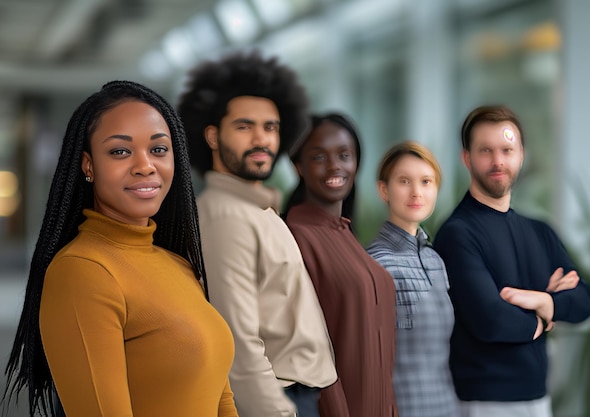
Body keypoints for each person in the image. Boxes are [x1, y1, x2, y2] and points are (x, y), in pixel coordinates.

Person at [2, 81, 238, 417]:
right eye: (120, 151)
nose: (145, 165)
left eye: (158, 149)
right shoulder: (82, 271)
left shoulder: (178, 264)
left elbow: (221, 397)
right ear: (88, 165)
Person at [177, 52, 337, 417]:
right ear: (213, 136)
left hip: (296, 395)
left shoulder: (259, 210)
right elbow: (238, 342)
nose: (262, 139)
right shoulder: (225, 217)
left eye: (271, 127)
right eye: (245, 126)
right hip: (275, 401)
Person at [433, 105, 590, 417]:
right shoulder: (457, 234)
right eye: (486, 151)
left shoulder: (540, 231)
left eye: (507, 150)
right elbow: (492, 320)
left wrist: (541, 301)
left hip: (538, 399)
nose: (498, 161)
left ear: (521, 155)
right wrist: (548, 314)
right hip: (482, 402)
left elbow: (585, 298)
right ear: (466, 158)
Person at [284, 113, 397, 417]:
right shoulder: (294, 238)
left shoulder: (346, 234)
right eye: (319, 156)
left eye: (344, 155)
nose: (335, 166)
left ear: (357, 163)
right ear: (299, 166)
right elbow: (311, 350)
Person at [366, 141, 460, 417]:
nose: (416, 192)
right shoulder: (375, 263)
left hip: (446, 407)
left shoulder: (435, 261)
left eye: (426, 182)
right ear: (383, 189)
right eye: (404, 181)